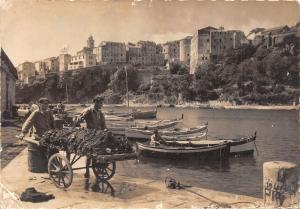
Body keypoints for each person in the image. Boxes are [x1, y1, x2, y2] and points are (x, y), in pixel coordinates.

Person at [74, 95, 107, 178]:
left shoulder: (100, 113)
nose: (101, 105)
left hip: (98, 134)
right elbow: (79, 120)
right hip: (90, 134)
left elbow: (103, 125)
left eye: (102, 103)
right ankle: (87, 170)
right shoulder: (88, 111)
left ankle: (99, 168)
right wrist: (81, 122)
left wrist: (106, 131)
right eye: (100, 103)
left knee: (101, 150)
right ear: (95, 102)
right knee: (89, 153)